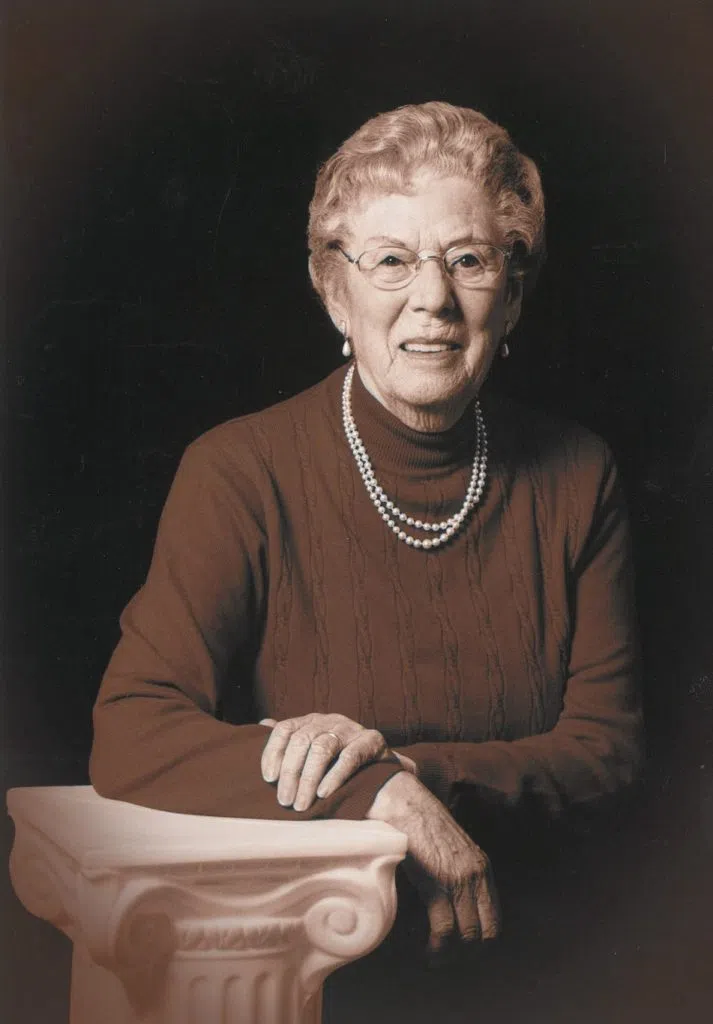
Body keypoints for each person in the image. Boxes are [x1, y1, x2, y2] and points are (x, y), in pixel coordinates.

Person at [90, 101, 642, 962]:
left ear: (511, 295)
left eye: (468, 260)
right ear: (334, 294)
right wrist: (374, 794)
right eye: (390, 261)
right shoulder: (241, 470)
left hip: (549, 955)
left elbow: (605, 753)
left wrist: (414, 773)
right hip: (304, 958)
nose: (432, 299)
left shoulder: (578, 473)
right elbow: (132, 731)